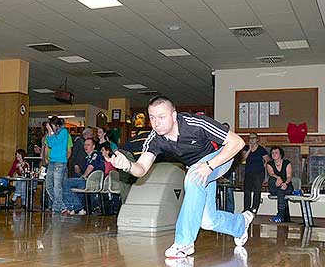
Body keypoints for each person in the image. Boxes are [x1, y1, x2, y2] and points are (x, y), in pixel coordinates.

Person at [107, 96, 253, 258]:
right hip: (198, 168)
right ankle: (240, 224)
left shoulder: (196, 124)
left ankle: (184, 243)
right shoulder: (155, 138)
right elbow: (141, 168)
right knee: (207, 221)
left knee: (192, 177)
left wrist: (209, 165)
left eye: (162, 117)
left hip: (219, 158)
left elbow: (237, 143)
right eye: (153, 118)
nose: (157, 123)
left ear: (174, 116)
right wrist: (127, 165)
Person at [63, 138, 104, 215]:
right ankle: (78, 208)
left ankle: (74, 207)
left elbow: (91, 167)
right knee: (76, 184)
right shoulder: (87, 157)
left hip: (91, 182)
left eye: (88, 145)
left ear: (93, 146)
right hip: (89, 181)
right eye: (85, 145)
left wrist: (83, 176)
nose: (86, 146)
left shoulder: (95, 154)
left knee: (65, 182)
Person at [45, 117, 69, 214]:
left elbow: (55, 142)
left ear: (57, 125)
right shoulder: (50, 134)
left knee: (57, 186)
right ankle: (62, 206)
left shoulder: (64, 132)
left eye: (52, 126)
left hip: (60, 162)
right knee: (49, 185)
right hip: (52, 161)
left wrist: (51, 132)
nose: (51, 128)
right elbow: (50, 144)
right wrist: (50, 133)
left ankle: (57, 208)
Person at [242, 133, 270, 214]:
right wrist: (249, 149)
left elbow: (268, 160)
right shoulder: (246, 148)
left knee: (257, 192)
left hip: (259, 173)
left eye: (253, 138)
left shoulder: (261, 149)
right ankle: (246, 210)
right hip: (248, 172)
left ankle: (254, 209)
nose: (252, 139)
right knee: (247, 192)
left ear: (257, 139)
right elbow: (243, 158)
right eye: (250, 138)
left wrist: (263, 166)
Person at [267, 146, 293, 223]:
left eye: (276, 152)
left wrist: (285, 183)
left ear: (281, 154)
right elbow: (271, 173)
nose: (273, 154)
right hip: (274, 187)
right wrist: (278, 177)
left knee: (281, 192)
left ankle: (280, 216)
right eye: (272, 153)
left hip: (286, 186)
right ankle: (280, 217)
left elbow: (289, 176)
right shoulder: (269, 164)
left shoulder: (287, 163)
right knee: (272, 179)